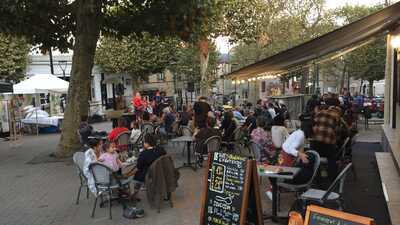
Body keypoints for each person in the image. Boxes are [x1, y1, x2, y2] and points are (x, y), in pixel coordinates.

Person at [311, 105, 341, 181]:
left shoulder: (319, 113)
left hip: (316, 143)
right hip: (328, 144)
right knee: (332, 158)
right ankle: (332, 178)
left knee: (314, 158)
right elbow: (337, 131)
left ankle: (316, 176)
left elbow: (313, 126)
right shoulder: (336, 116)